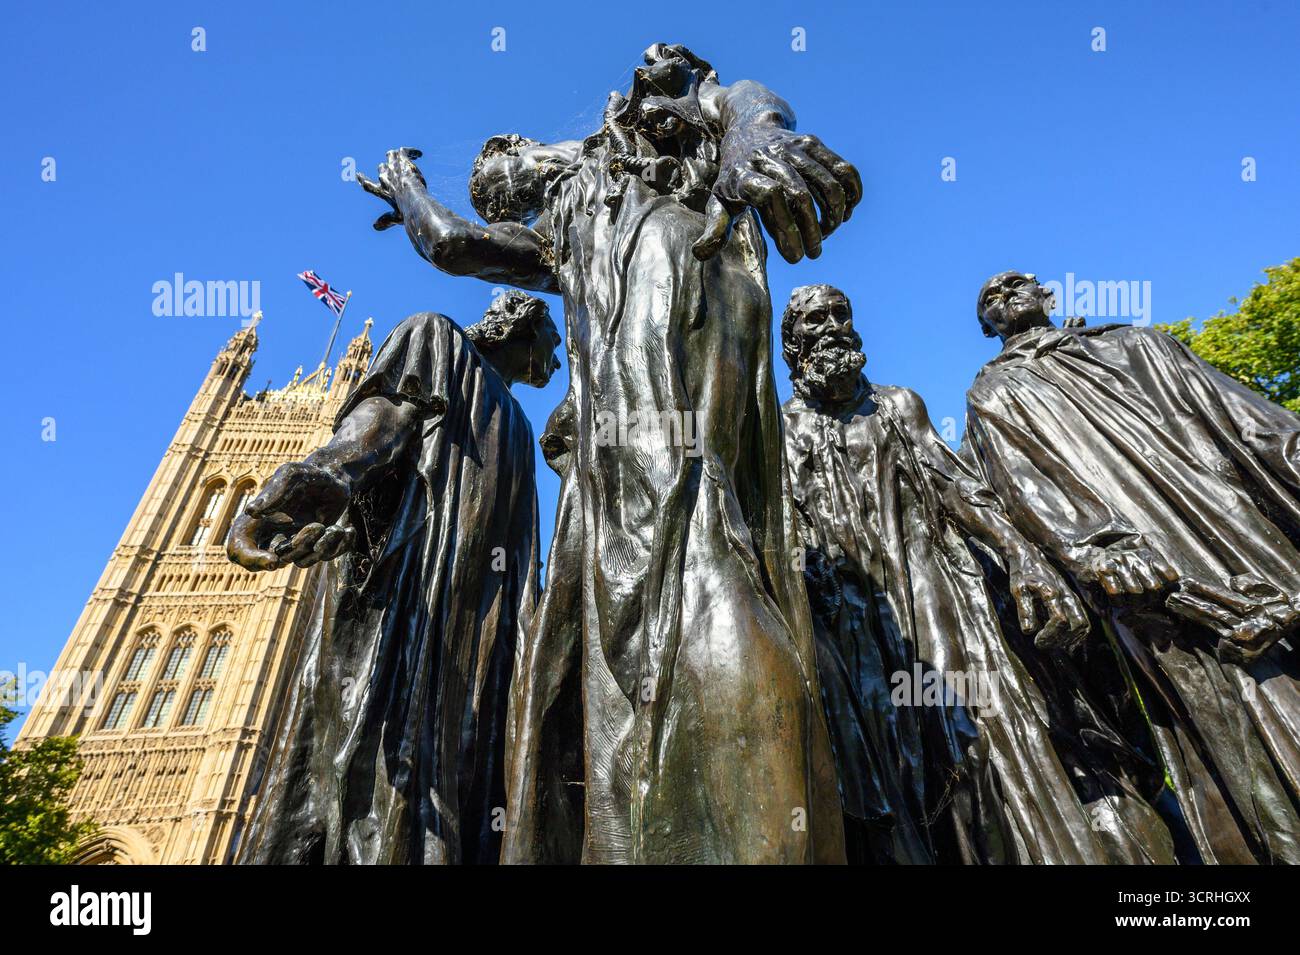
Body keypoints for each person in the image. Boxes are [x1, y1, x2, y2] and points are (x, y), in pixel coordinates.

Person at [358, 43, 861, 863]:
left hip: (707, 422)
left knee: (725, 598)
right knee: (665, 645)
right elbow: (451, 245)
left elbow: (728, 98)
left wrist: (754, 140)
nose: (514, 179)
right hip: (630, 459)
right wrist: (411, 191)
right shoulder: (566, 227)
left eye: (512, 164)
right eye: (503, 189)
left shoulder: (663, 158)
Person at [780, 284, 1175, 864]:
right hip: (847, 619)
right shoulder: (783, 428)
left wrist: (1019, 552)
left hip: (934, 591)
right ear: (793, 345)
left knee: (973, 734)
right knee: (883, 761)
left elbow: (958, 487)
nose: (834, 327)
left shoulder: (896, 405)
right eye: (816, 321)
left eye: (842, 315)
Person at [964, 270, 1300, 863]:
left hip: (1243, 537)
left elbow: (1254, 424)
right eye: (989, 298)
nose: (1004, 295)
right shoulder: (995, 391)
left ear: (1049, 295)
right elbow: (1020, 488)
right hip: (1156, 584)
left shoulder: (1138, 344)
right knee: (1241, 726)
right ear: (985, 325)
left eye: (1018, 284)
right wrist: (1093, 553)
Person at [227, 292, 561, 864]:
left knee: (454, 782)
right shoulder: (437, 338)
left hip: (473, 633)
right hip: (401, 597)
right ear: (521, 328)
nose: (558, 358)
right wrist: (322, 477)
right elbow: (384, 419)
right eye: (553, 340)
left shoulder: (518, 426)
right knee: (359, 771)